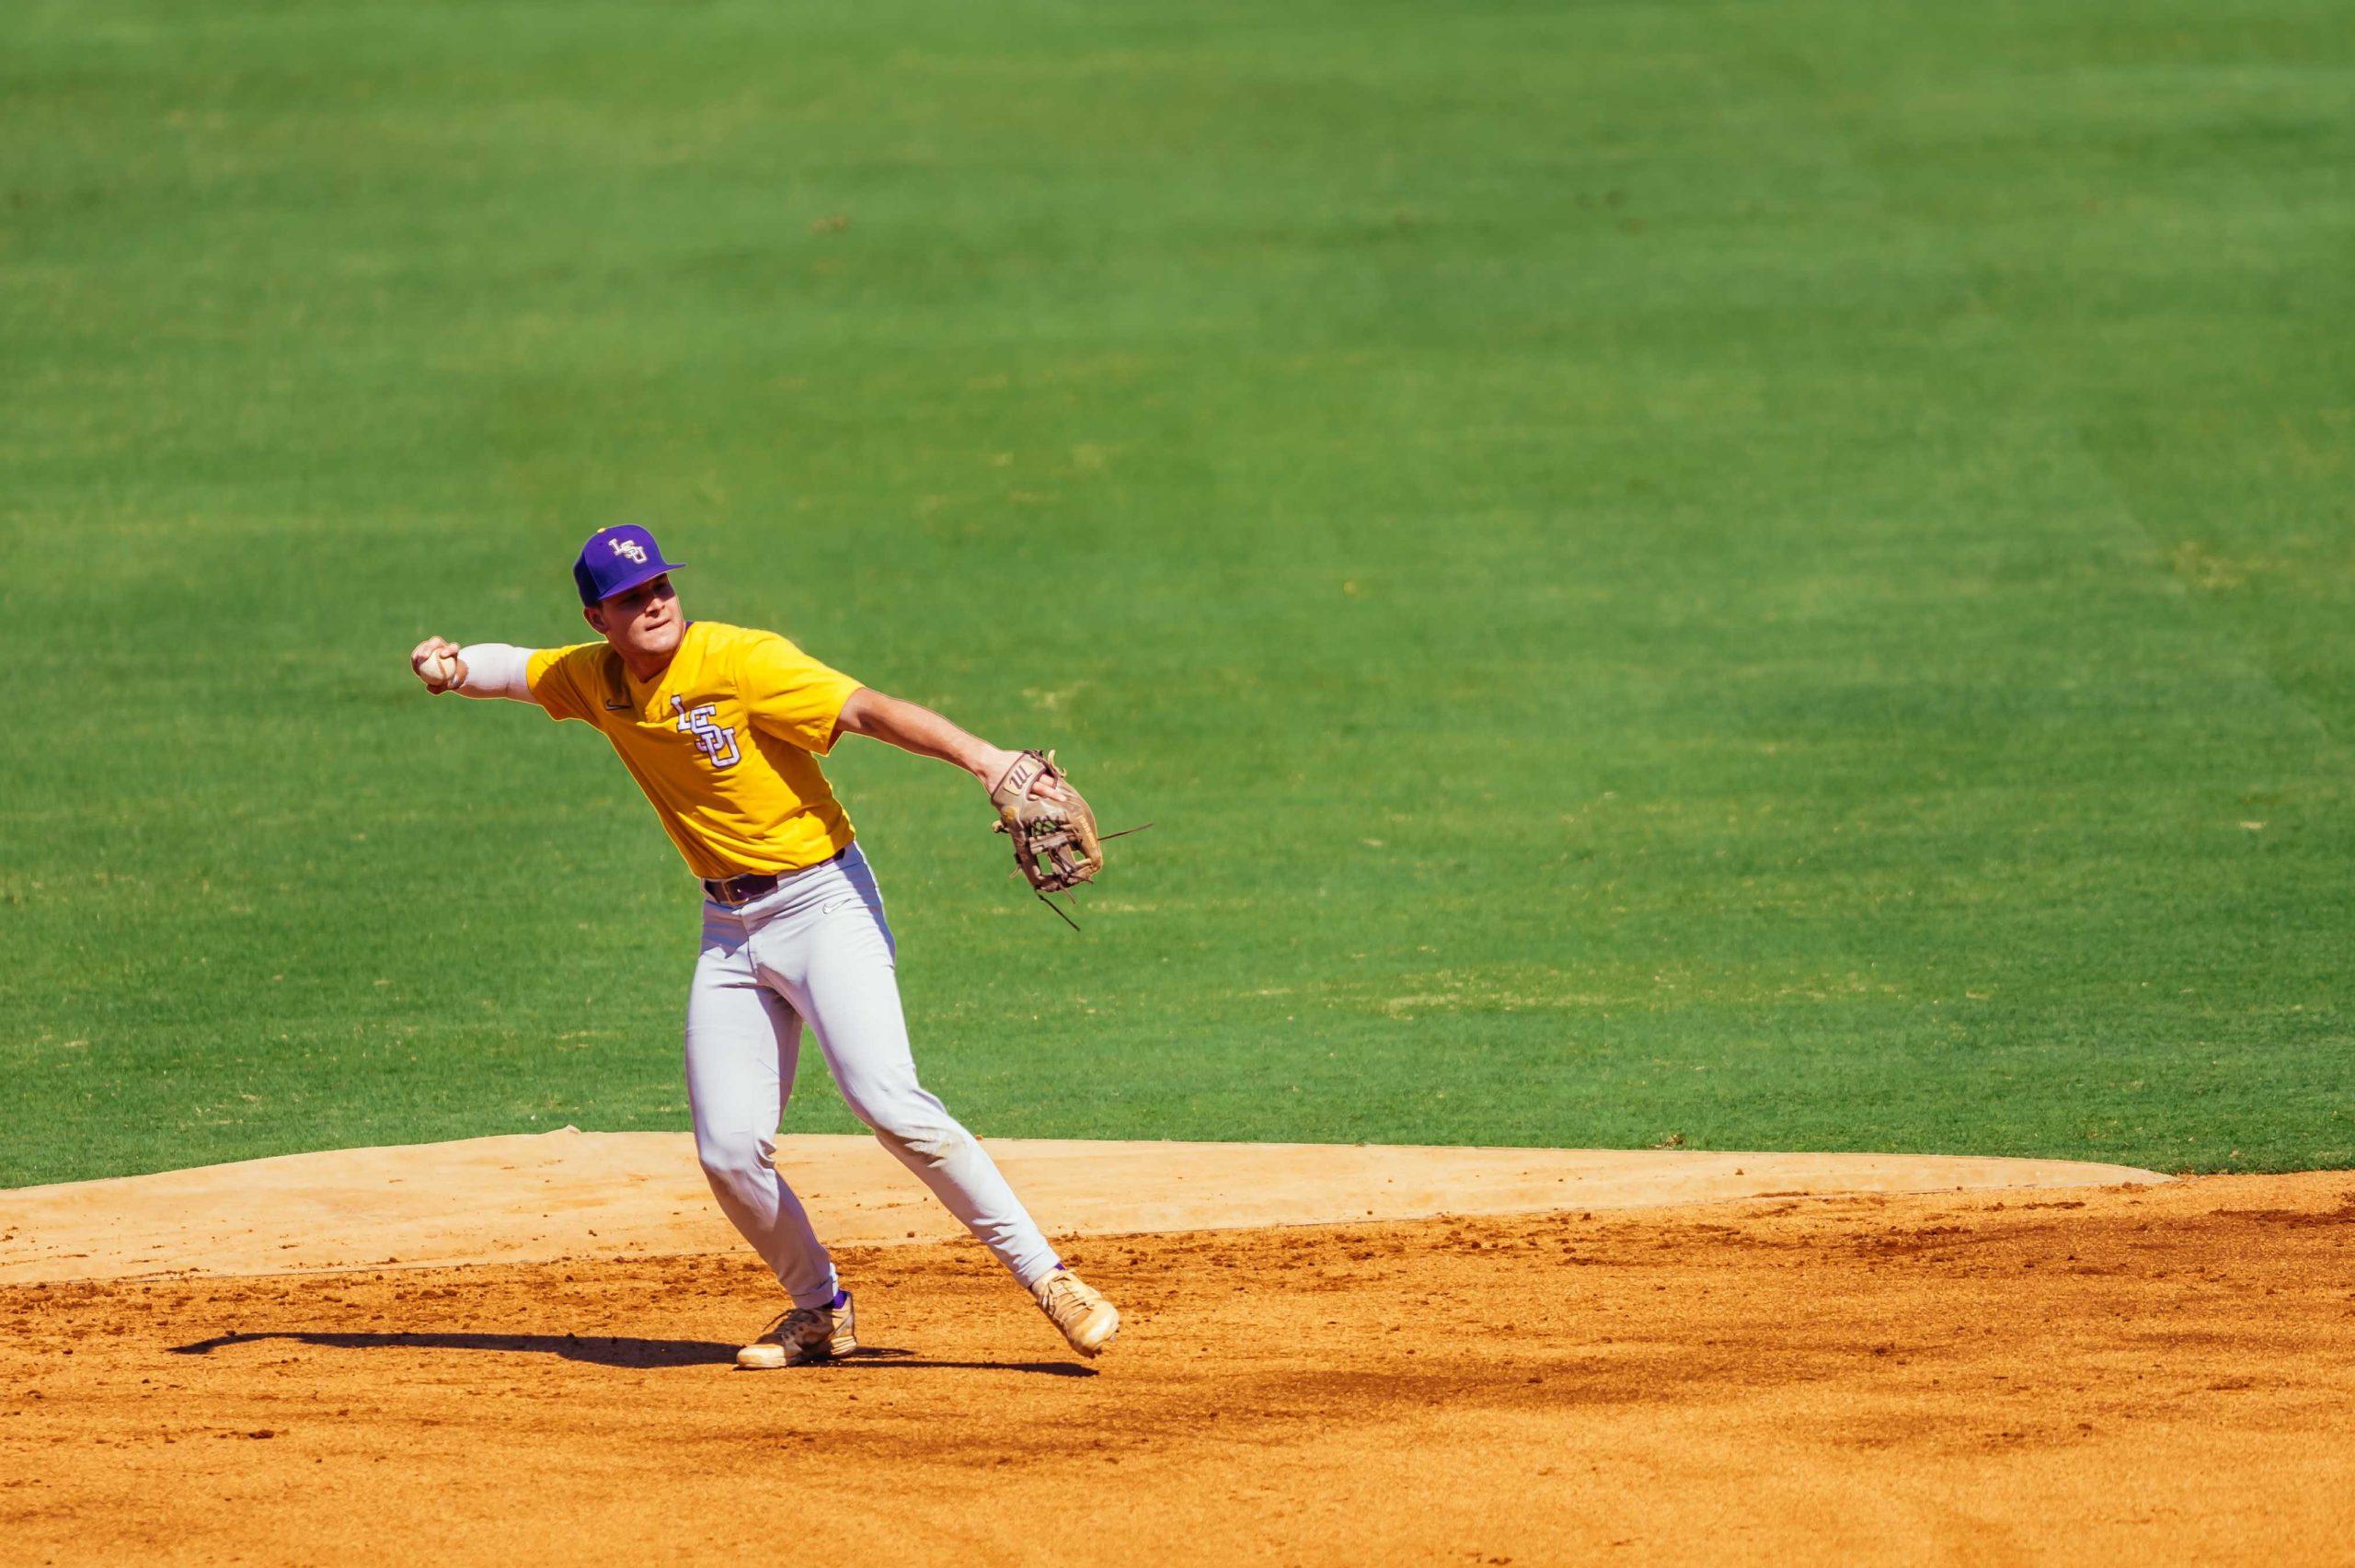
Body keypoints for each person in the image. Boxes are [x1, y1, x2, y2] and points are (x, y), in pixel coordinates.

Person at [408, 524, 1120, 1367]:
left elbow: (863, 709)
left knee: (888, 1101)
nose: (657, 601)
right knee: (728, 1150)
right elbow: (515, 669)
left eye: (663, 585)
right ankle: (820, 1308)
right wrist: (451, 670)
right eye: (633, 597)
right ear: (599, 615)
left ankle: (1050, 1277)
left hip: (824, 904)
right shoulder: (593, 677)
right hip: (728, 931)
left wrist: (983, 758)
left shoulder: (741, 661)